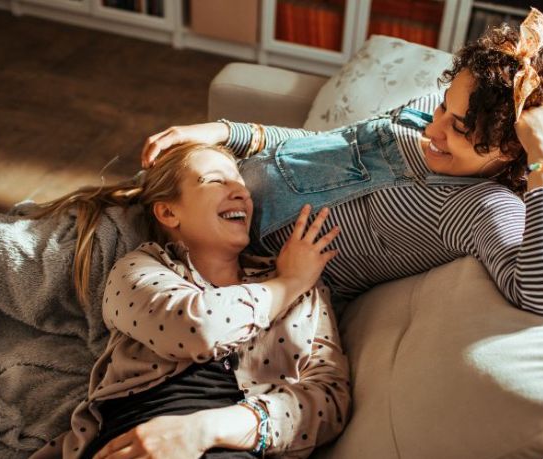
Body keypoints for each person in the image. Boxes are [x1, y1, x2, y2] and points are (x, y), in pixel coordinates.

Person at [141, 9, 543, 320]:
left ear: (510, 149)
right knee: (106, 209)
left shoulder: (478, 208)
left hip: (221, 269)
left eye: (458, 128)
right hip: (210, 189)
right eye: (444, 106)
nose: (434, 129)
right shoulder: (422, 114)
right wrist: (224, 133)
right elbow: (320, 147)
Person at [30, 142, 350, 459]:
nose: (241, 192)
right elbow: (197, 328)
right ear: (169, 212)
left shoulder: (303, 288)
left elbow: (330, 399)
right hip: (136, 437)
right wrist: (287, 284)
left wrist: (208, 429)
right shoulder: (137, 269)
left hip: (239, 444)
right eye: (215, 180)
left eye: (240, 183)